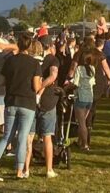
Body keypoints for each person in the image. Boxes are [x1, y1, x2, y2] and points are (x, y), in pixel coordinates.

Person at [0, 31, 41, 183]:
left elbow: (2, 81)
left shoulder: (9, 61)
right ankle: (19, 170)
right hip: (27, 103)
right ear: (30, 46)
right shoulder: (34, 63)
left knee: (7, 136)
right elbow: (36, 86)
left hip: (10, 101)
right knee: (22, 138)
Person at [34, 36, 61, 178]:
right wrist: (42, 87)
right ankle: (49, 169)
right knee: (47, 136)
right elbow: (53, 76)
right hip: (48, 101)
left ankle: (23, 168)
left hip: (31, 100)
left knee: (28, 135)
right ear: (50, 46)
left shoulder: (34, 59)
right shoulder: (53, 60)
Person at [70, 44, 97, 151]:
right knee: (83, 122)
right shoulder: (92, 69)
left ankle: (85, 144)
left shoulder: (79, 69)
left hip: (80, 96)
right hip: (89, 97)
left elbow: (75, 83)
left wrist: (68, 86)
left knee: (81, 123)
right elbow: (93, 82)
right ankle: (81, 141)